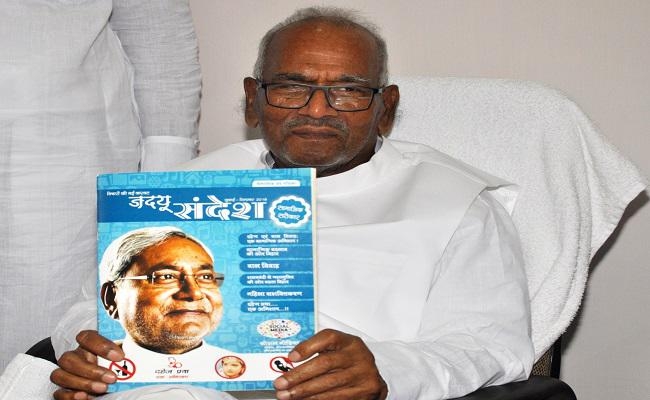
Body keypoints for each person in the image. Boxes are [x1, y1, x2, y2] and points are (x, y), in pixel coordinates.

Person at [2, 6, 534, 400]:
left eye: (349, 91)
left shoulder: (455, 204)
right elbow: (85, 307)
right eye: (291, 87)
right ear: (253, 100)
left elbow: (488, 345)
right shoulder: (182, 188)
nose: (318, 110)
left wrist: (386, 369)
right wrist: (90, 348)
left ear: (386, 107)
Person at [0, 0, 201, 372]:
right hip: (50, 150)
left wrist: (164, 188)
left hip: (54, 157)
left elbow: (156, 30)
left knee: (55, 339)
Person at [97, 227, 229, 381]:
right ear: (111, 299)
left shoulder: (243, 368)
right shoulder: (93, 367)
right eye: (167, 277)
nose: (195, 293)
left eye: (205, 276)